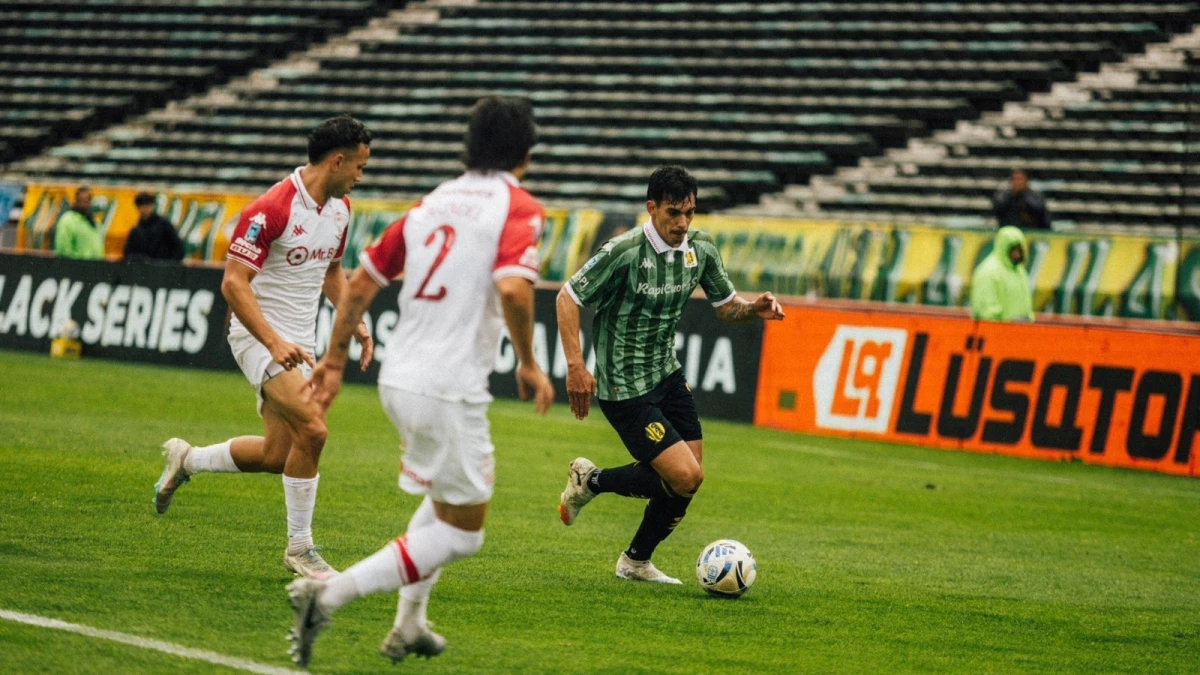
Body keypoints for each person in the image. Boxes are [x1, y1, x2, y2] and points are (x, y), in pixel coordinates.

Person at [286, 96, 554, 669]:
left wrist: (332, 363)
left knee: (444, 502)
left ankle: (409, 624)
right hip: (448, 387)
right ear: (525, 153)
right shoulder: (519, 205)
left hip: (401, 376)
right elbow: (513, 288)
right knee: (464, 535)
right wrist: (529, 362)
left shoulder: (432, 203)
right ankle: (326, 596)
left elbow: (361, 282)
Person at [151, 115, 375, 581]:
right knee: (313, 430)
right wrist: (273, 342)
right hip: (259, 335)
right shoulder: (271, 208)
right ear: (337, 161)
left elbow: (332, 274)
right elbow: (234, 284)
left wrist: (356, 322)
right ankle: (301, 549)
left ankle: (187, 460)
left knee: (278, 454)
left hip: (301, 341)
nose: (360, 176)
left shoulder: (340, 211)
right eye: (358, 166)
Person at [555, 166, 785, 584]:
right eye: (673, 213)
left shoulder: (700, 248)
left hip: (668, 375)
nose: (682, 223)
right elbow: (567, 297)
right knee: (685, 476)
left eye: (690, 213)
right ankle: (594, 482)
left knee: (689, 479)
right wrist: (575, 365)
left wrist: (753, 309)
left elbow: (725, 304)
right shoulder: (623, 252)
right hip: (625, 387)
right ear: (652, 208)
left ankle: (635, 561)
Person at [970, 225, 1035, 322]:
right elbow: (986, 310)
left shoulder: (1019, 271)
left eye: (1019, 250)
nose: (1017, 254)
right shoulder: (988, 271)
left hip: (1021, 332)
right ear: (1004, 247)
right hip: (997, 333)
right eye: (1013, 249)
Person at [123, 192, 185, 262]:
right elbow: (128, 253)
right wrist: (143, 259)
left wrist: (167, 264)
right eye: (143, 205)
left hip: (163, 268)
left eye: (149, 204)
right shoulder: (136, 230)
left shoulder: (164, 224)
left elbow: (178, 249)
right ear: (138, 207)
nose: (146, 208)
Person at [53, 186, 104, 259]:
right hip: (76, 268)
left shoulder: (95, 223)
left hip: (96, 268)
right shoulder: (68, 220)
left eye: (88, 200)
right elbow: (63, 251)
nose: (85, 204)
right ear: (76, 201)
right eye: (82, 200)